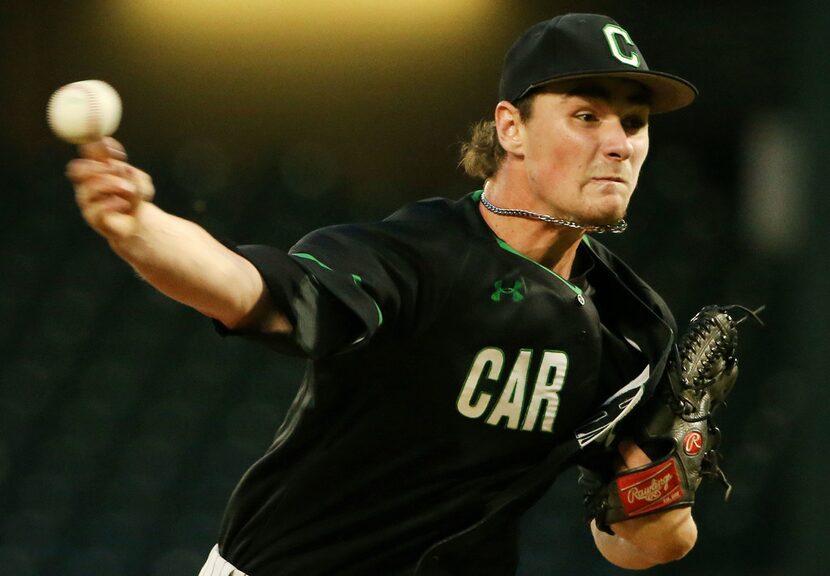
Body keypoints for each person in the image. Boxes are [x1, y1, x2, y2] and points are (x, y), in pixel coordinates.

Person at [67, 13, 701, 576]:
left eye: (635, 122)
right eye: (586, 115)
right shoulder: (417, 256)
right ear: (511, 128)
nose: (619, 144)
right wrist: (138, 227)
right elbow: (253, 290)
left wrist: (678, 447)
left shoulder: (631, 325)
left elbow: (643, 545)